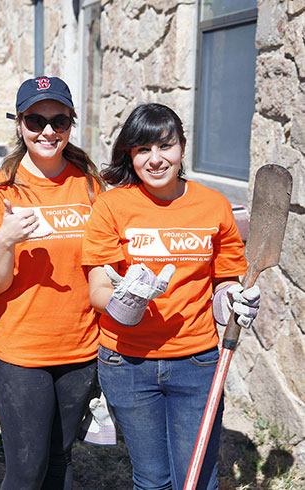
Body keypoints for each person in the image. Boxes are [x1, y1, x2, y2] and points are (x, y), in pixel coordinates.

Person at [81, 103, 261, 490]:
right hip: (127, 363)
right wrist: (124, 299)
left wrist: (232, 299)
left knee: (198, 480)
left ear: (182, 148)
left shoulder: (213, 206)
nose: (155, 159)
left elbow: (225, 278)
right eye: (143, 149)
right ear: (129, 154)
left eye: (166, 146)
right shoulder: (112, 206)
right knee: (152, 480)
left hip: (196, 363)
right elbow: (98, 287)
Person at [0, 76, 106, 490]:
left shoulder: (91, 186)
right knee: (26, 469)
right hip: (21, 350)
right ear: (19, 124)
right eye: (35, 120)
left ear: (70, 123)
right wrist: (6, 240)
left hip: (81, 347)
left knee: (61, 461)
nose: (48, 132)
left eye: (59, 121)